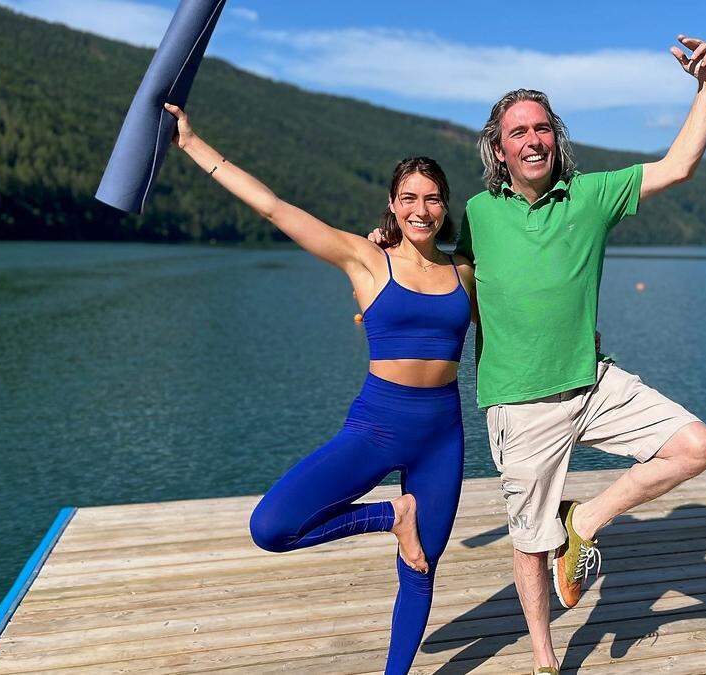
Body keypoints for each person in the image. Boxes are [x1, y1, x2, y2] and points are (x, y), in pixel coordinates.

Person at [162, 102, 475, 674]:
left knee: (422, 566)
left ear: (445, 206)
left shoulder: (465, 274)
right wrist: (190, 145)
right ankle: (389, 517)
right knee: (272, 527)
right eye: (409, 198)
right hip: (377, 425)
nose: (421, 209)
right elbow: (275, 208)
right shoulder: (365, 258)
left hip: (443, 434)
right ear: (392, 204)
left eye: (432, 198)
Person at [455, 36, 706, 673]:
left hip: (590, 383)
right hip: (517, 404)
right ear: (498, 148)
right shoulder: (475, 213)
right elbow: (446, 279)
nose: (532, 140)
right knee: (529, 542)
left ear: (557, 136)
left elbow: (678, 165)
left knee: (697, 446)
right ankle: (546, 660)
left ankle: (588, 518)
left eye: (542, 128)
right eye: (517, 131)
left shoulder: (593, 195)